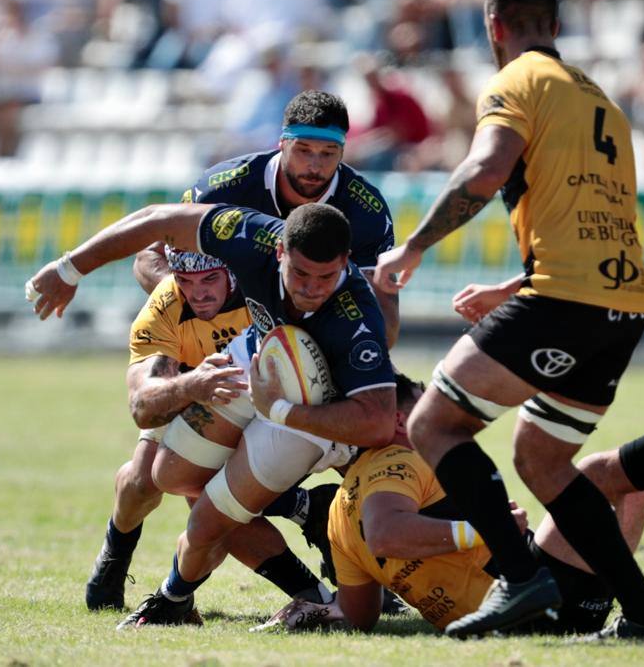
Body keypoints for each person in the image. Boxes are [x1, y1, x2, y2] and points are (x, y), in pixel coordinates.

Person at [373, 0, 644, 639]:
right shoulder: (604, 104)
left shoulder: (514, 81)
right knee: (542, 456)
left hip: (566, 299)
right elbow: (590, 213)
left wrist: (411, 248)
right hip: (619, 304)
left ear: (494, 27)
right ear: (556, 26)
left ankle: (520, 576)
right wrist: (517, 284)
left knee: (433, 425)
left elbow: (486, 168)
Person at [273, 291, 644, 637]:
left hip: (550, 603)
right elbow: (388, 534)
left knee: (626, 485)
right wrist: (484, 530)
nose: (426, 418)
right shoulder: (395, 459)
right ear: (392, 421)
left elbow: (360, 614)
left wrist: (325, 612)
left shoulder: (342, 518)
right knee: (593, 475)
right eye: (415, 409)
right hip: (534, 603)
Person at [27, 202, 396, 629]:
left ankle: (176, 598)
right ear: (278, 253)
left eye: (325, 277)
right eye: (299, 274)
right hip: (242, 363)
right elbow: (159, 222)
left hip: (309, 398)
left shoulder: (355, 318)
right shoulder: (240, 247)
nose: (311, 289)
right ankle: (304, 509)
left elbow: (377, 419)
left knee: (208, 515)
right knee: (162, 476)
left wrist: (279, 408)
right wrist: (70, 268)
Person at [85, 246, 332, 614]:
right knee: (144, 481)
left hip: (263, 393)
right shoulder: (165, 305)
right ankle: (116, 555)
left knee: (213, 506)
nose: (198, 293)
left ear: (231, 271)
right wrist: (191, 385)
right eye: (186, 281)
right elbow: (143, 408)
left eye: (210, 280)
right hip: (189, 390)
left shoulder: (264, 282)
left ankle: (333, 583)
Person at [133, 89, 399, 347]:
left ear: (343, 152)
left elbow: (385, 328)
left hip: (312, 342)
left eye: (328, 153)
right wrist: (193, 300)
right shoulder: (222, 189)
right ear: (282, 143)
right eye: (303, 150)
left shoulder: (367, 212)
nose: (315, 166)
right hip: (218, 338)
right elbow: (149, 257)